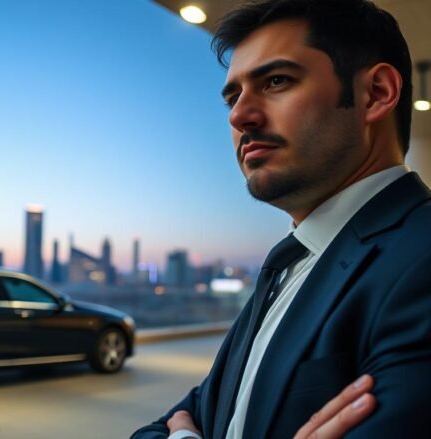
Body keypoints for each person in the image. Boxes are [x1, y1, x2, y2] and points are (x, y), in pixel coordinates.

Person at [131, 0, 431, 437]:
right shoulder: (286, 266)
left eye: (276, 81)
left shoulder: (420, 258)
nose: (239, 116)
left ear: (376, 94)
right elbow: (174, 419)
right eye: (233, 96)